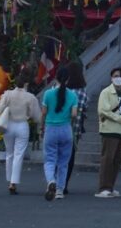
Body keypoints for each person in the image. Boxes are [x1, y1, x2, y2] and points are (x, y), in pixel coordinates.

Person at [0, 70, 41, 195]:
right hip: (22, 125)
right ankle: (13, 183)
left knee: (9, 153)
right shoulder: (30, 97)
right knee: (18, 154)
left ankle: (9, 180)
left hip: (9, 124)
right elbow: (35, 116)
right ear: (26, 84)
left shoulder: (8, 94)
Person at [41, 65, 79, 201]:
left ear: (55, 77)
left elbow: (44, 113)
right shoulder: (73, 95)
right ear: (68, 79)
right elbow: (74, 114)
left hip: (50, 128)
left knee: (50, 160)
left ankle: (51, 181)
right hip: (66, 129)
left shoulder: (47, 94)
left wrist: (41, 127)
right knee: (64, 162)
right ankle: (59, 191)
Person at [96, 66, 121, 198]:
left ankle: (111, 186)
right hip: (110, 129)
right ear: (111, 78)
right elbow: (104, 111)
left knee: (117, 160)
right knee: (108, 159)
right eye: (116, 76)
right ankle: (104, 187)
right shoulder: (105, 92)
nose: (118, 79)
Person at [64, 60, 88, 194]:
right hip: (75, 129)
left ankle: (55, 180)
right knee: (70, 156)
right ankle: (65, 183)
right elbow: (85, 108)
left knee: (57, 156)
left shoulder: (60, 90)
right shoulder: (82, 92)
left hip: (59, 126)